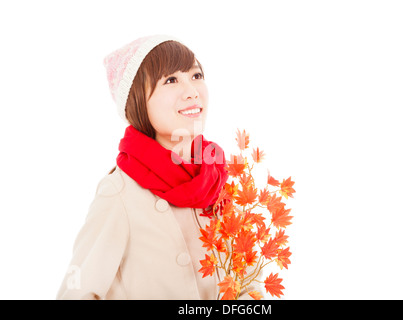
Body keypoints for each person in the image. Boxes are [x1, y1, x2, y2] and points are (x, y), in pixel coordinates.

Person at [56, 34, 259, 300]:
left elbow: (250, 282)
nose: (191, 91)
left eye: (196, 75)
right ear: (138, 100)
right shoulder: (118, 193)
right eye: (171, 80)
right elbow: (75, 293)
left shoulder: (218, 178)